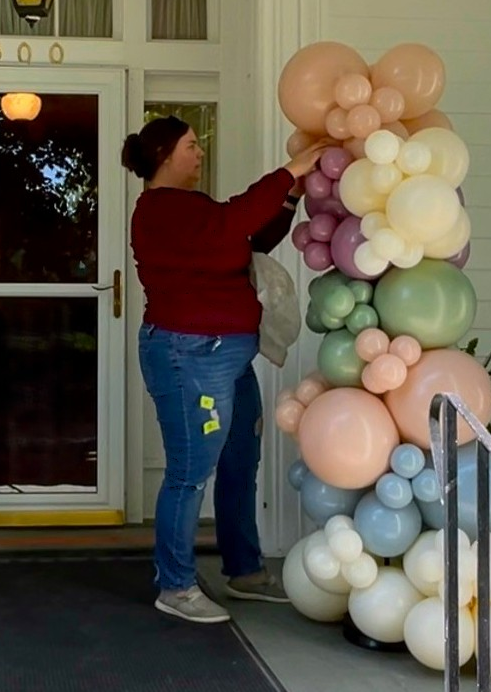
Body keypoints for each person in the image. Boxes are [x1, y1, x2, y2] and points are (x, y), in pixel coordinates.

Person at [122, 115, 328, 624]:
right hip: (188, 358)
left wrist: (289, 197)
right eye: (192, 145)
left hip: (228, 357)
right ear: (166, 154)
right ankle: (175, 585)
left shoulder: (194, 211)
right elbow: (230, 223)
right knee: (190, 474)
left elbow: (247, 239)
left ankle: (245, 571)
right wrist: (287, 171)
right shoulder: (158, 210)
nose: (200, 153)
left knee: (240, 463)